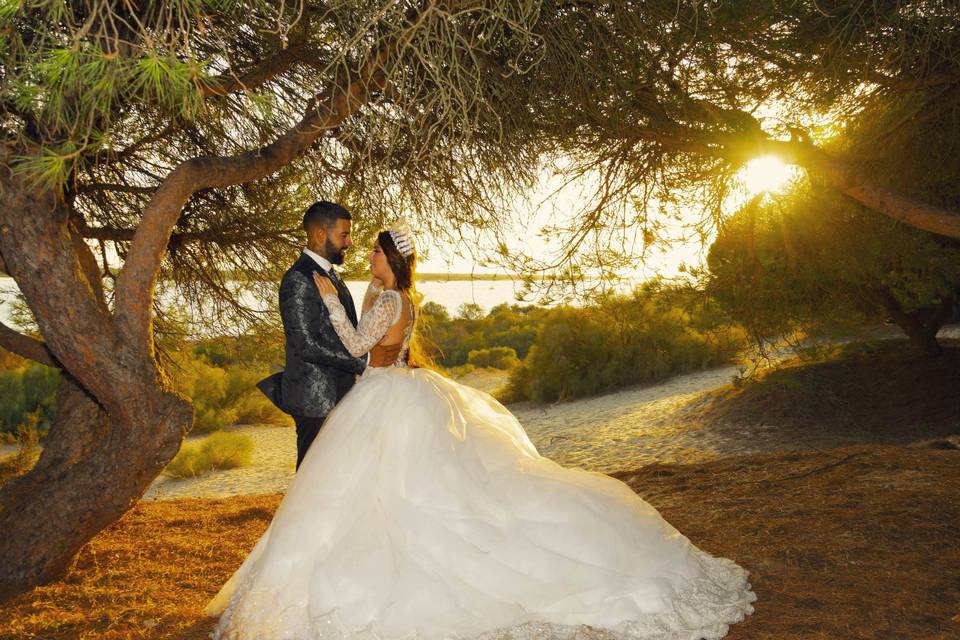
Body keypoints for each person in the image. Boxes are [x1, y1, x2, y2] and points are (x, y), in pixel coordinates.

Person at [205, 221, 756, 639]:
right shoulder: (387, 295)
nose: (364, 254)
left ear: (389, 257)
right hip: (384, 390)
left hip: (382, 397)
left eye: (372, 248)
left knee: (396, 496)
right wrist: (353, 300)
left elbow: (354, 346)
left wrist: (329, 301)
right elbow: (377, 343)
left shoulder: (393, 298)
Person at [256, 201, 367, 470]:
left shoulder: (328, 274)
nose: (349, 242)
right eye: (344, 235)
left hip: (338, 393)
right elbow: (306, 344)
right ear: (320, 234)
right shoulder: (298, 279)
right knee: (311, 476)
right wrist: (361, 362)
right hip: (315, 401)